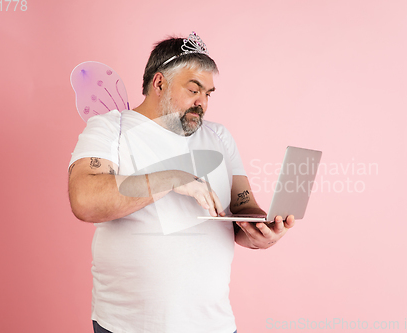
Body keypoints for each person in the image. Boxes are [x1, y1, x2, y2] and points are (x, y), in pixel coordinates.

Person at [68, 32, 295, 333]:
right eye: (193, 89)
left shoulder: (219, 137)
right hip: (127, 326)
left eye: (209, 94)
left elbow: (243, 206)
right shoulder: (111, 128)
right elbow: (85, 200)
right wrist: (173, 177)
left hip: (214, 324)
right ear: (159, 83)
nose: (202, 102)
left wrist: (260, 231)